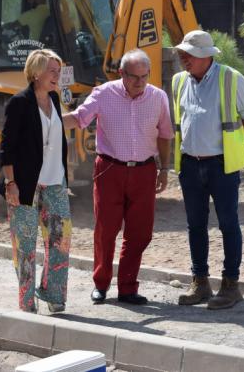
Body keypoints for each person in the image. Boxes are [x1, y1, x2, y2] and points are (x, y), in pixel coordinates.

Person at [62, 48, 173, 305]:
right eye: (135, 77)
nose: (141, 82)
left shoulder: (158, 97)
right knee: (105, 229)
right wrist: (46, 119)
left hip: (144, 171)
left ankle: (127, 287)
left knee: (140, 232)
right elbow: (79, 118)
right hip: (109, 170)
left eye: (145, 76)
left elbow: (165, 134)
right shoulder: (103, 94)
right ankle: (101, 284)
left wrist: (164, 169)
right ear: (122, 73)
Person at [172, 30, 244, 310]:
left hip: (221, 165)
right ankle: (200, 282)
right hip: (189, 164)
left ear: (206, 56)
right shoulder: (178, 82)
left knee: (228, 224)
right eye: (183, 54)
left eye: (189, 54)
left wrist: (226, 144)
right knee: (195, 226)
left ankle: (231, 285)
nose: (184, 58)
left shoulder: (231, 78)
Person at [0, 49, 72, 314]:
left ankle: (53, 294)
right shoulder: (19, 103)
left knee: (60, 239)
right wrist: (11, 183)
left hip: (55, 182)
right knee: (25, 244)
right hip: (25, 184)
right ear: (36, 72)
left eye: (59, 70)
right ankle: (26, 301)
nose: (57, 75)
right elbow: (7, 147)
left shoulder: (54, 98)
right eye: (52, 70)